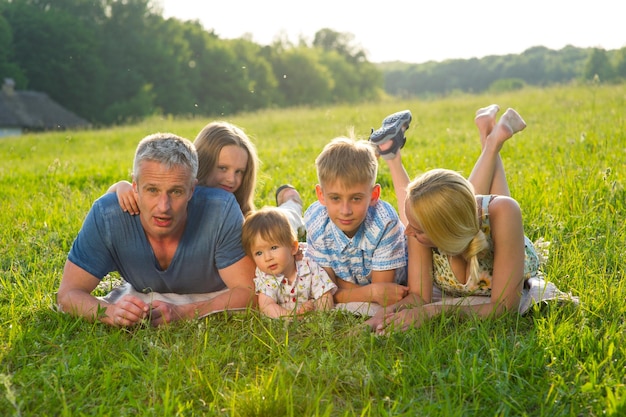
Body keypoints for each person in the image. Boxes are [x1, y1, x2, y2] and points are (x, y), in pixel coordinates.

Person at [365, 105, 578, 334]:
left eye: (418, 230)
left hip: (491, 225)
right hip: (464, 219)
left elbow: (504, 308)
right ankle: (491, 137)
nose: (406, 232)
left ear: (445, 233)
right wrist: (378, 319)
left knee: (496, 207)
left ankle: (493, 138)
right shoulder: (418, 231)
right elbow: (418, 297)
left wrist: (434, 312)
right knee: (458, 204)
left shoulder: (502, 212)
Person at [57, 132, 257, 327]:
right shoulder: (107, 215)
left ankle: (288, 197)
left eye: (176, 191)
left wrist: (184, 312)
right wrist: (111, 313)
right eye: (152, 190)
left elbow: (249, 291)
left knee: (282, 221)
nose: (164, 206)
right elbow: (67, 294)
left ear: (192, 190)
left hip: (262, 232)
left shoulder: (221, 210)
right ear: (135, 187)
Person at [108, 121, 306, 239]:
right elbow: (110, 207)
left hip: (270, 224)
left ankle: (292, 202)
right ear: (203, 163)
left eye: (239, 172)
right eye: (222, 168)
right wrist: (120, 187)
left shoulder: (239, 215)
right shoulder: (176, 190)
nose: (231, 179)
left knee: (283, 219)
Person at [303, 135, 409, 315]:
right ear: (321, 195)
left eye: (356, 198)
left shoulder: (384, 223)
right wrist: (370, 292)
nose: (345, 210)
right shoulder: (316, 221)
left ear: (374, 195)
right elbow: (324, 292)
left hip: (399, 265)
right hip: (361, 280)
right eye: (335, 198)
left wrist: (339, 286)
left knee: (412, 219)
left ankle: (392, 155)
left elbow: (384, 295)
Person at [241, 207, 337, 318]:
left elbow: (325, 295)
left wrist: (318, 316)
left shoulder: (308, 265)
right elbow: (267, 306)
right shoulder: (266, 276)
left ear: (293, 248)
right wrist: (293, 316)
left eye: (273, 247)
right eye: (258, 253)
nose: (267, 258)